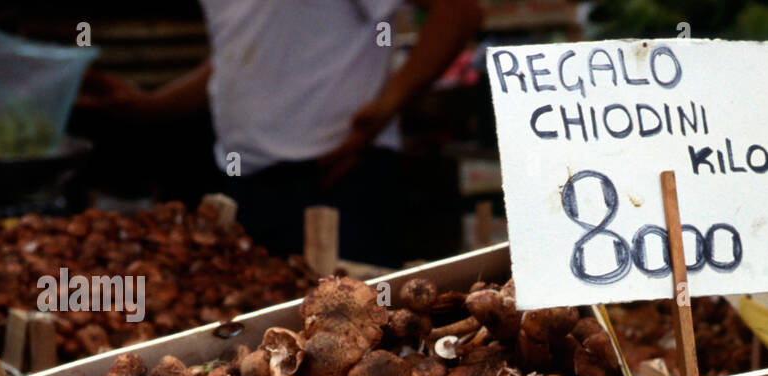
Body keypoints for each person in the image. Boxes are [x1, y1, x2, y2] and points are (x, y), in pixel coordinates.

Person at [79, 0, 481, 265]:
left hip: (337, 180)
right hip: (245, 184)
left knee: (353, 349)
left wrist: (382, 111)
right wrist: (151, 105)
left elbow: (456, 13)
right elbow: (239, 60)